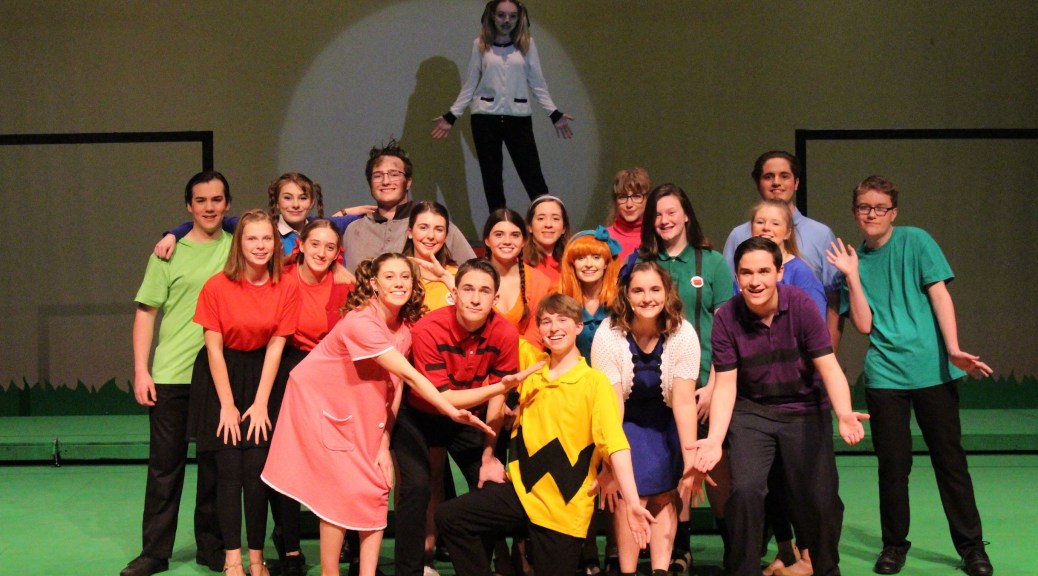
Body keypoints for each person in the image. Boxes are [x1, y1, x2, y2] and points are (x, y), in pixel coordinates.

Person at [261, 253, 492, 576]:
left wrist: (384, 440)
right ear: (374, 284)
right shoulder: (361, 322)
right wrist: (452, 410)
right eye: (390, 277)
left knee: (375, 488)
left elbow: (396, 385)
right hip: (321, 409)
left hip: (364, 412)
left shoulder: (406, 327)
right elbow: (409, 375)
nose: (399, 283)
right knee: (339, 494)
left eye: (405, 277)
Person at [826, 175, 994, 576]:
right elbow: (864, 325)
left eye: (880, 207)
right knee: (893, 466)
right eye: (864, 207)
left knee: (950, 462)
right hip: (885, 377)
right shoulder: (852, 262)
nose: (872, 214)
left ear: (893, 213)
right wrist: (852, 275)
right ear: (855, 212)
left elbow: (939, 294)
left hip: (932, 371)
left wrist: (953, 349)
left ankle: (972, 547)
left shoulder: (916, 241)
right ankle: (894, 545)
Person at [435, 294, 655, 576]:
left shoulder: (594, 383)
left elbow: (616, 444)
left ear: (579, 326)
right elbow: (490, 318)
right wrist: (452, 285)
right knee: (451, 517)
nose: (554, 327)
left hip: (562, 508)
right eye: (546, 321)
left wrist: (633, 502)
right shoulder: (532, 367)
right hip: (521, 494)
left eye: (563, 320)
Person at [694, 237, 869, 576]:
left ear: (779, 272)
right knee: (745, 491)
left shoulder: (801, 305)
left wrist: (844, 413)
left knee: (821, 499)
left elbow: (828, 366)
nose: (755, 281)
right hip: (752, 412)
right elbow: (726, 385)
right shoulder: (727, 317)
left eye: (763, 271)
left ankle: (826, 569)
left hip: (804, 410)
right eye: (746, 273)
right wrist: (714, 440)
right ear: (737, 276)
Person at [393, 258, 541, 576]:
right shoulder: (428, 328)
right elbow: (444, 397)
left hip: (469, 416)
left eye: (484, 291)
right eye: (468, 289)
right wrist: (498, 388)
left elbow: (498, 400)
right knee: (416, 487)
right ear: (455, 293)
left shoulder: (504, 332)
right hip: (419, 414)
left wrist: (489, 455)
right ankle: (409, 570)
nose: (475, 298)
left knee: (489, 485)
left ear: (495, 298)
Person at [120, 171, 232, 576]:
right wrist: (141, 370)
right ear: (189, 206)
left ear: (227, 205)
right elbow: (146, 313)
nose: (209, 207)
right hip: (171, 375)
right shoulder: (167, 253)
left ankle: (212, 548)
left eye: (217, 200)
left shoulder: (239, 247)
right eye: (200, 200)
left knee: (216, 469)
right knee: (164, 469)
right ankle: (154, 552)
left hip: (220, 378)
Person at [188, 209, 300, 576]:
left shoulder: (286, 287)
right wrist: (227, 405)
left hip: (263, 377)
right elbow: (214, 350)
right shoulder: (216, 286)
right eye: (252, 238)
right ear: (239, 243)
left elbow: (276, 348)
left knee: (256, 472)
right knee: (228, 471)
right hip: (221, 378)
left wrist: (260, 403)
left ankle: (256, 558)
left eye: (267, 238)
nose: (260, 245)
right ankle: (232, 558)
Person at [635, 183, 732, 570]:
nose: (665, 220)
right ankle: (679, 550)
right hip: (657, 386)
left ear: (687, 214)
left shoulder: (713, 263)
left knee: (710, 468)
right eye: (658, 214)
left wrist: (713, 385)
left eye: (672, 211)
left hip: (706, 383)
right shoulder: (643, 263)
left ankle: (733, 548)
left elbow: (726, 330)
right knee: (672, 467)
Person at [591, 261, 704, 576]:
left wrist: (691, 459)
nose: (647, 297)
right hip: (624, 423)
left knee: (664, 493)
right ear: (626, 295)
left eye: (655, 289)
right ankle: (627, 570)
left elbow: (683, 402)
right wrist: (608, 462)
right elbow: (611, 406)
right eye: (638, 290)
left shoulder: (683, 333)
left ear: (667, 292)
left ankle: (660, 570)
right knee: (631, 493)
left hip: (665, 421)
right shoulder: (608, 334)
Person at [266, 219, 353, 576]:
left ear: (337, 253)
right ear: (300, 244)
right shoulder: (282, 279)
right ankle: (290, 549)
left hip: (333, 372)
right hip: (289, 366)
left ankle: (345, 542)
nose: (321, 252)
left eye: (329, 247)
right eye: (315, 244)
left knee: (336, 459)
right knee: (287, 456)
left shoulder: (345, 284)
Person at [432, 0, 574, 211]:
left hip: (518, 118)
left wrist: (554, 113)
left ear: (519, 18)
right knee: (492, 179)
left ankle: (547, 221)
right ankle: (498, 225)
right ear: (491, 16)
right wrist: (452, 115)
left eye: (512, 16)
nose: (507, 20)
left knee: (533, 176)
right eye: (501, 15)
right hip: (485, 118)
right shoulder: (480, 45)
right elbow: (471, 84)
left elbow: (537, 83)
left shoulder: (527, 45)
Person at [722, 151, 843, 346]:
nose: (776, 183)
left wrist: (827, 354)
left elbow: (834, 301)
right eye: (768, 176)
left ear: (796, 183)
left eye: (784, 176)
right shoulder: (739, 235)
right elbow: (728, 295)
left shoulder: (820, 234)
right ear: (758, 183)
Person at [154, 171, 372, 259]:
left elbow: (370, 216)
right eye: (287, 198)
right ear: (276, 202)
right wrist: (173, 234)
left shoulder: (322, 226)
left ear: (312, 202)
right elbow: (213, 219)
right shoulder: (261, 227)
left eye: (303, 198)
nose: (295, 204)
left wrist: (348, 211)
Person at [343, 139, 476, 272]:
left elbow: (475, 274)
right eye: (377, 176)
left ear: (408, 182)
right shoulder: (354, 230)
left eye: (394, 174)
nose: (386, 181)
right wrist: (342, 213)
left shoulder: (434, 225)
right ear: (370, 183)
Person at [482, 207, 554, 342]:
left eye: (515, 235)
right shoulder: (471, 278)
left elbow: (536, 335)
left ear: (524, 241)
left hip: (528, 354)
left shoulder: (540, 282)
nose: (507, 241)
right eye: (499, 234)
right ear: (487, 240)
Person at [556, 226, 623, 360]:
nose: (588, 264)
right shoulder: (560, 302)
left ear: (606, 263)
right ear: (572, 264)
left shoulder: (621, 301)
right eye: (581, 258)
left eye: (596, 257)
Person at [402, 200, 458, 311]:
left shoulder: (457, 276)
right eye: (423, 228)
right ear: (410, 232)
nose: (431, 236)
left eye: (439, 229)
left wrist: (444, 277)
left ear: (446, 236)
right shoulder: (395, 274)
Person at [605, 167, 651, 260]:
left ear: (647, 199)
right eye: (622, 197)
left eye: (636, 196)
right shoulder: (603, 238)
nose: (629, 204)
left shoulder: (657, 237)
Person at [523, 194, 570, 282]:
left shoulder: (572, 262)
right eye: (541, 218)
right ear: (530, 226)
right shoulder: (518, 263)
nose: (548, 224)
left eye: (555, 219)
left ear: (564, 228)